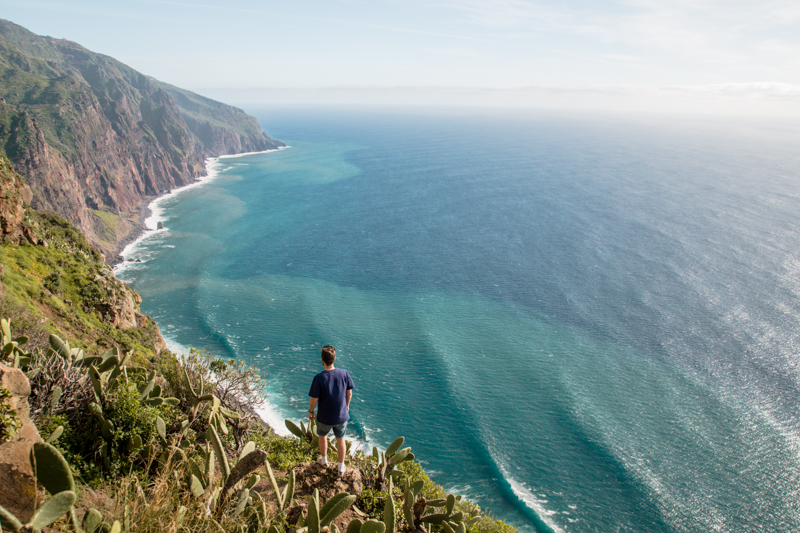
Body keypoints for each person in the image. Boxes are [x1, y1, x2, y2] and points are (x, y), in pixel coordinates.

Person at [308, 345, 355, 474]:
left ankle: (324, 461)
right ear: (334, 359)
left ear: (322, 360)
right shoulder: (344, 373)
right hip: (341, 416)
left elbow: (314, 399)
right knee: (341, 439)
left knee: (322, 437)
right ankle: (341, 467)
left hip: (324, 417)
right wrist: (347, 406)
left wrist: (311, 412)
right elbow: (349, 393)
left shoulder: (319, 378)